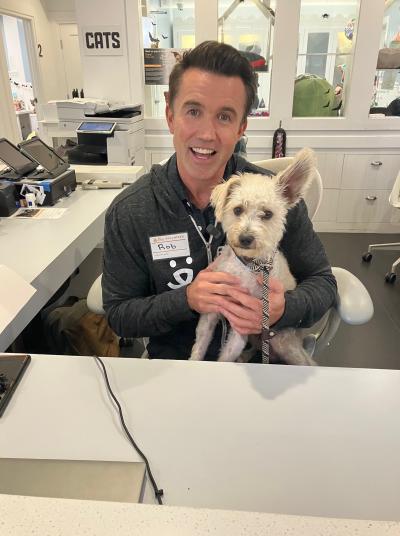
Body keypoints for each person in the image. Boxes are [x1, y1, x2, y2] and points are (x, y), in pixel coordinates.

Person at [102, 40, 337, 360]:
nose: (207, 134)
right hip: (178, 366)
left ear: (242, 126)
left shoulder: (273, 199)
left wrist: (283, 309)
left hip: (261, 366)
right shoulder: (132, 211)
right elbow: (119, 315)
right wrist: (186, 299)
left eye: (224, 117)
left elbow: (323, 283)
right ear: (170, 115)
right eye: (193, 111)